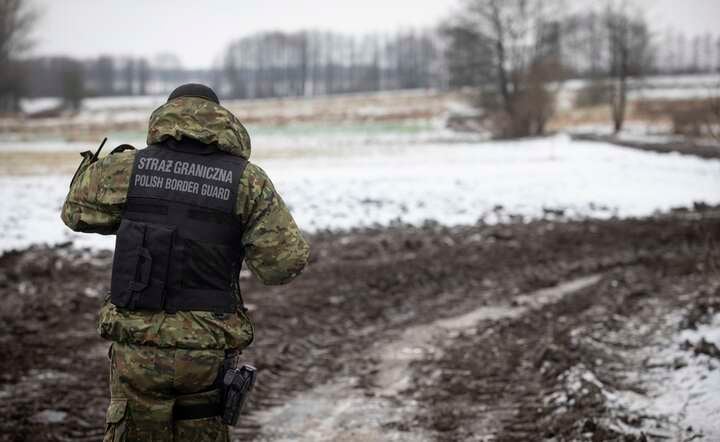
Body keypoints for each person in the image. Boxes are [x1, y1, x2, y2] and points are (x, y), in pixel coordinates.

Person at [61, 83, 310, 441]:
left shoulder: (128, 169)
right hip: (204, 353)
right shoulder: (246, 180)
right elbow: (283, 264)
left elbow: (75, 214)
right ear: (222, 120)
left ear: (166, 115)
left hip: (135, 348)